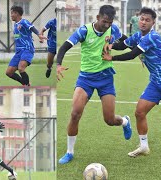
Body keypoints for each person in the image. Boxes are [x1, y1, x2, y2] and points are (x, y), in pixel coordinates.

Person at [57, 5, 132, 164]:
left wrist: (136, 51)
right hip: (86, 79)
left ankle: (125, 121)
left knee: (110, 120)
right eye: (105, 21)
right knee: (75, 114)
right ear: (98, 17)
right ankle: (70, 152)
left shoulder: (113, 29)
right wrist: (58, 64)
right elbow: (64, 46)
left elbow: (125, 42)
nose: (107, 25)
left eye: (110, 22)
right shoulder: (84, 31)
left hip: (106, 78)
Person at [102, 7, 161, 157]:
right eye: (142, 19)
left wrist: (113, 58)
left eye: (147, 20)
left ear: (153, 23)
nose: (143, 22)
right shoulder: (138, 35)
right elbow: (124, 44)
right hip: (155, 83)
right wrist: (111, 45)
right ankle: (144, 147)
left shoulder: (152, 37)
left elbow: (132, 54)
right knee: (139, 112)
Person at [6, 5, 47, 86]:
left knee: (21, 68)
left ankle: (26, 86)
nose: (11, 15)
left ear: (17, 13)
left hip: (27, 49)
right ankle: (25, 83)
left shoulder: (24, 21)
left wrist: (39, 34)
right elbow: (19, 36)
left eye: (12, 13)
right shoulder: (15, 25)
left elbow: (32, 28)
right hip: (18, 51)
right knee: (9, 72)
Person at [39, 9, 56, 78]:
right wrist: (41, 38)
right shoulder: (51, 22)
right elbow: (42, 30)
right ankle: (49, 68)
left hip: (61, 45)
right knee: (49, 63)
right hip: (52, 45)